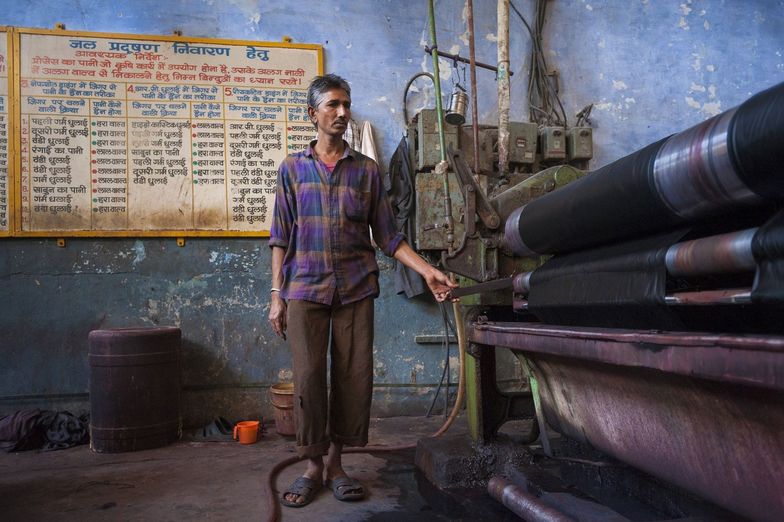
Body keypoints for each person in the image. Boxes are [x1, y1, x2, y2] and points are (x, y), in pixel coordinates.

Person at [268, 73, 457, 507]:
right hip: (304, 289)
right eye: (332, 105)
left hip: (354, 289)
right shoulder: (292, 170)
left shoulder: (366, 172)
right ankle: (312, 466)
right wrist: (276, 294)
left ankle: (336, 464)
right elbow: (279, 237)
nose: (342, 113)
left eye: (346, 104)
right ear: (312, 114)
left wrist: (428, 271)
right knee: (309, 378)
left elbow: (389, 238)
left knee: (353, 379)